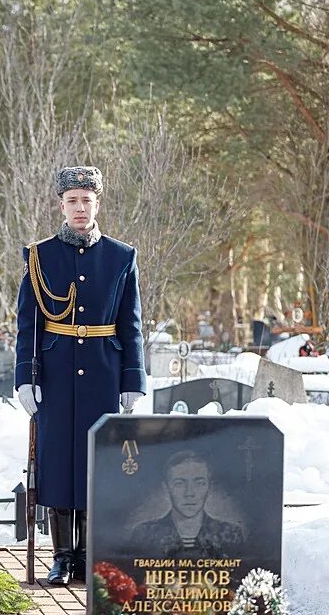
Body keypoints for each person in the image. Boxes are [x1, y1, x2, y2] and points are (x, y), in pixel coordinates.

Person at [15, 166, 146, 586]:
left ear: (97, 204)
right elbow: (28, 323)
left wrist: (132, 380)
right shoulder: (40, 256)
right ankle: (62, 555)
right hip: (55, 374)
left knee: (96, 462)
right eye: (71, 200)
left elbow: (132, 324)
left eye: (86, 200)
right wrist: (26, 376)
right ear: (61, 204)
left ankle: (90, 554)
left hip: (103, 375)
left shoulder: (121, 257)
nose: (79, 208)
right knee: (56, 461)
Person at [131, 450, 244, 558]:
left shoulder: (230, 535)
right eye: (179, 484)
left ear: (209, 488)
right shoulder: (144, 535)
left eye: (199, 483)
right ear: (166, 489)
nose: (189, 493)